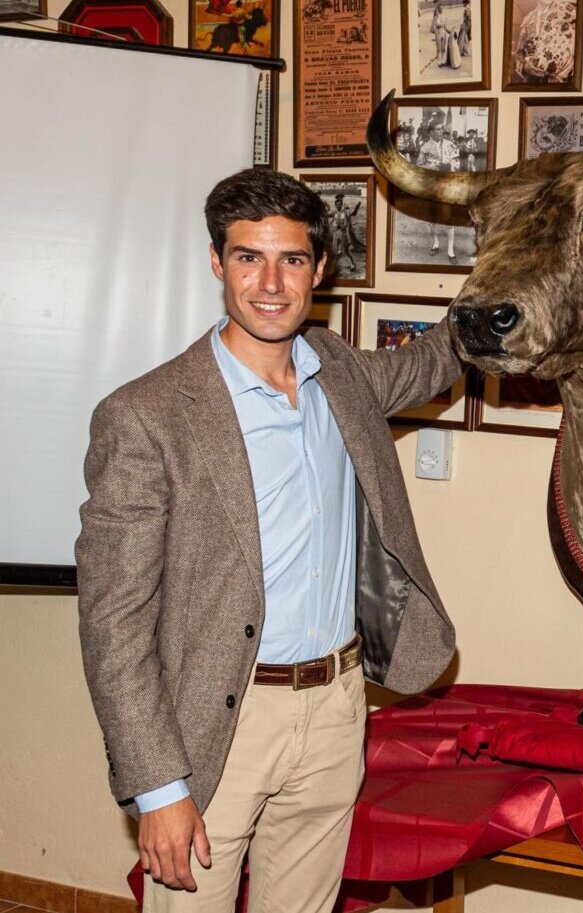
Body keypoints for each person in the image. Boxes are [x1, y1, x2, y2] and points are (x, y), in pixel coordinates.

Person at [77, 169, 463, 913]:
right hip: (215, 723)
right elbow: (112, 621)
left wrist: (507, 279)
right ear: (216, 262)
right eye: (248, 257)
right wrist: (158, 787)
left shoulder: (340, 373)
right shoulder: (146, 415)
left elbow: (431, 361)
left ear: (320, 269)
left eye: (291, 259)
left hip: (337, 709)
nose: (270, 283)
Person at [418, 121, 460, 261]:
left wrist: (450, 166)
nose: (441, 131)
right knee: (432, 219)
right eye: (438, 129)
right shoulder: (425, 147)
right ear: (431, 132)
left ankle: (450, 251)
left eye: (442, 129)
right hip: (433, 187)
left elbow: (457, 162)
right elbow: (420, 166)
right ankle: (435, 244)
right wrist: (435, 167)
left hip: (448, 186)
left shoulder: (451, 145)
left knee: (449, 219)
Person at [328, 193, 361, 274]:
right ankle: (333, 267)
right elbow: (326, 215)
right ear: (335, 205)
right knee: (334, 250)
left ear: (342, 204)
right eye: (337, 205)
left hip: (344, 234)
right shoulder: (334, 212)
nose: (338, 206)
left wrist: (357, 207)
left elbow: (354, 213)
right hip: (336, 234)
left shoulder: (346, 212)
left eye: (340, 204)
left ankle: (352, 264)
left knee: (345, 251)